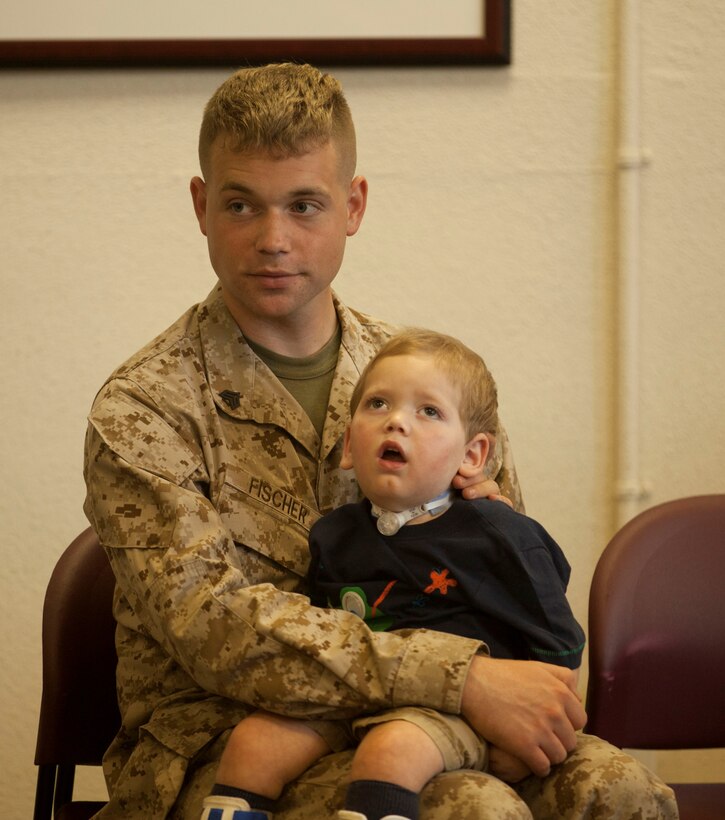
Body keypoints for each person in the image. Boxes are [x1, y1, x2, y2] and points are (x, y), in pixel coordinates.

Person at [82, 62, 677, 819]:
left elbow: (507, 577)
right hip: (224, 745)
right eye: (241, 205)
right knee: (468, 810)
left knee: (623, 792)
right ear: (201, 206)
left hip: (441, 721)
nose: (273, 239)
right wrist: (457, 677)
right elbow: (215, 633)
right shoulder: (144, 408)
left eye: (304, 205)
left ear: (353, 204)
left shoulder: (430, 386)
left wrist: (501, 694)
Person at [200, 328, 588, 820]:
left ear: (472, 456)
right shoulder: (332, 535)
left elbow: (558, 645)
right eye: (378, 404)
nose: (397, 422)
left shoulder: (500, 534)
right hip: (354, 695)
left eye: (429, 411)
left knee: (392, 750)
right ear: (347, 446)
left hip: (457, 711)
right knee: (253, 744)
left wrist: (539, 735)